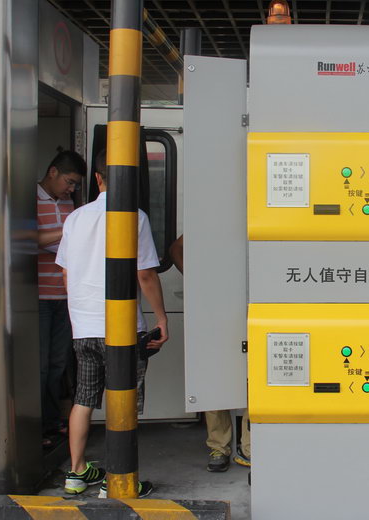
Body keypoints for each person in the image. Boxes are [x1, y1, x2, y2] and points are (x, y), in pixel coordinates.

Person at [56, 149, 168, 496]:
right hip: (121, 330)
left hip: (84, 327)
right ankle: (117, 479)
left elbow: (66, 274)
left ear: (98, 178)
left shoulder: (75, 219)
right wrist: (161, 318)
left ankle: (76, 473)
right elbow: (145, 275)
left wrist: (80, 313)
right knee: (124, 401)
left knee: (83, 399)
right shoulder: (134, 217)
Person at [168, 236, 251, 472]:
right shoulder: (214, 223)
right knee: (216, 373)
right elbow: (176, 249)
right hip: (215, 307)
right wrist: (196, 279)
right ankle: (219, 446)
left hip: (249, 305)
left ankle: (249, 446)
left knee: (252, 375)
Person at [37, 150, 85, 449]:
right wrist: (68, 230)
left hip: (67, 295)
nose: (71, 189)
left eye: (75, 184)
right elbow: (29, 239)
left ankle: (53, 423)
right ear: (53, 172)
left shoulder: (69, 204)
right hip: (40, 296)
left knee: (58, 363)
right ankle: (38, 425)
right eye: (69, 181)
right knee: (41, 365)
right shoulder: (28, 199)